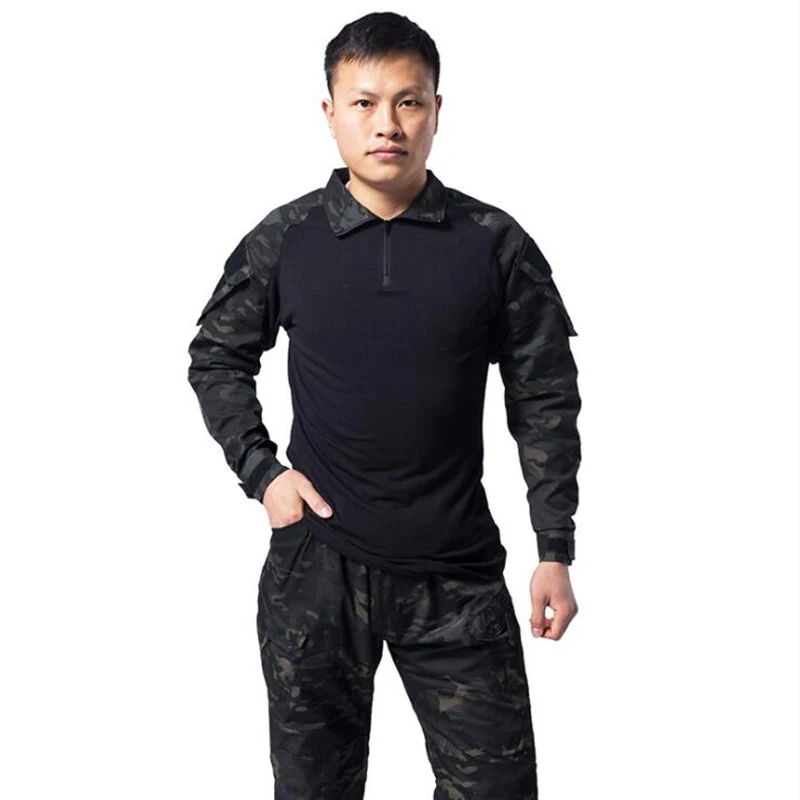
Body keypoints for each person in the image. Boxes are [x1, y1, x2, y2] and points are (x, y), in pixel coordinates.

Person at [187, 11, 581, 799]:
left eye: (409, 101)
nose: (387, 124)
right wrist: (264, 474)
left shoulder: (494, 243)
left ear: (437, 110)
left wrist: (554, 546)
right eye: (364, 103)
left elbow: (544, 394)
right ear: (330, 112)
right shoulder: (288, 238)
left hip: (456, 573)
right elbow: (216, 357)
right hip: (317, 570)